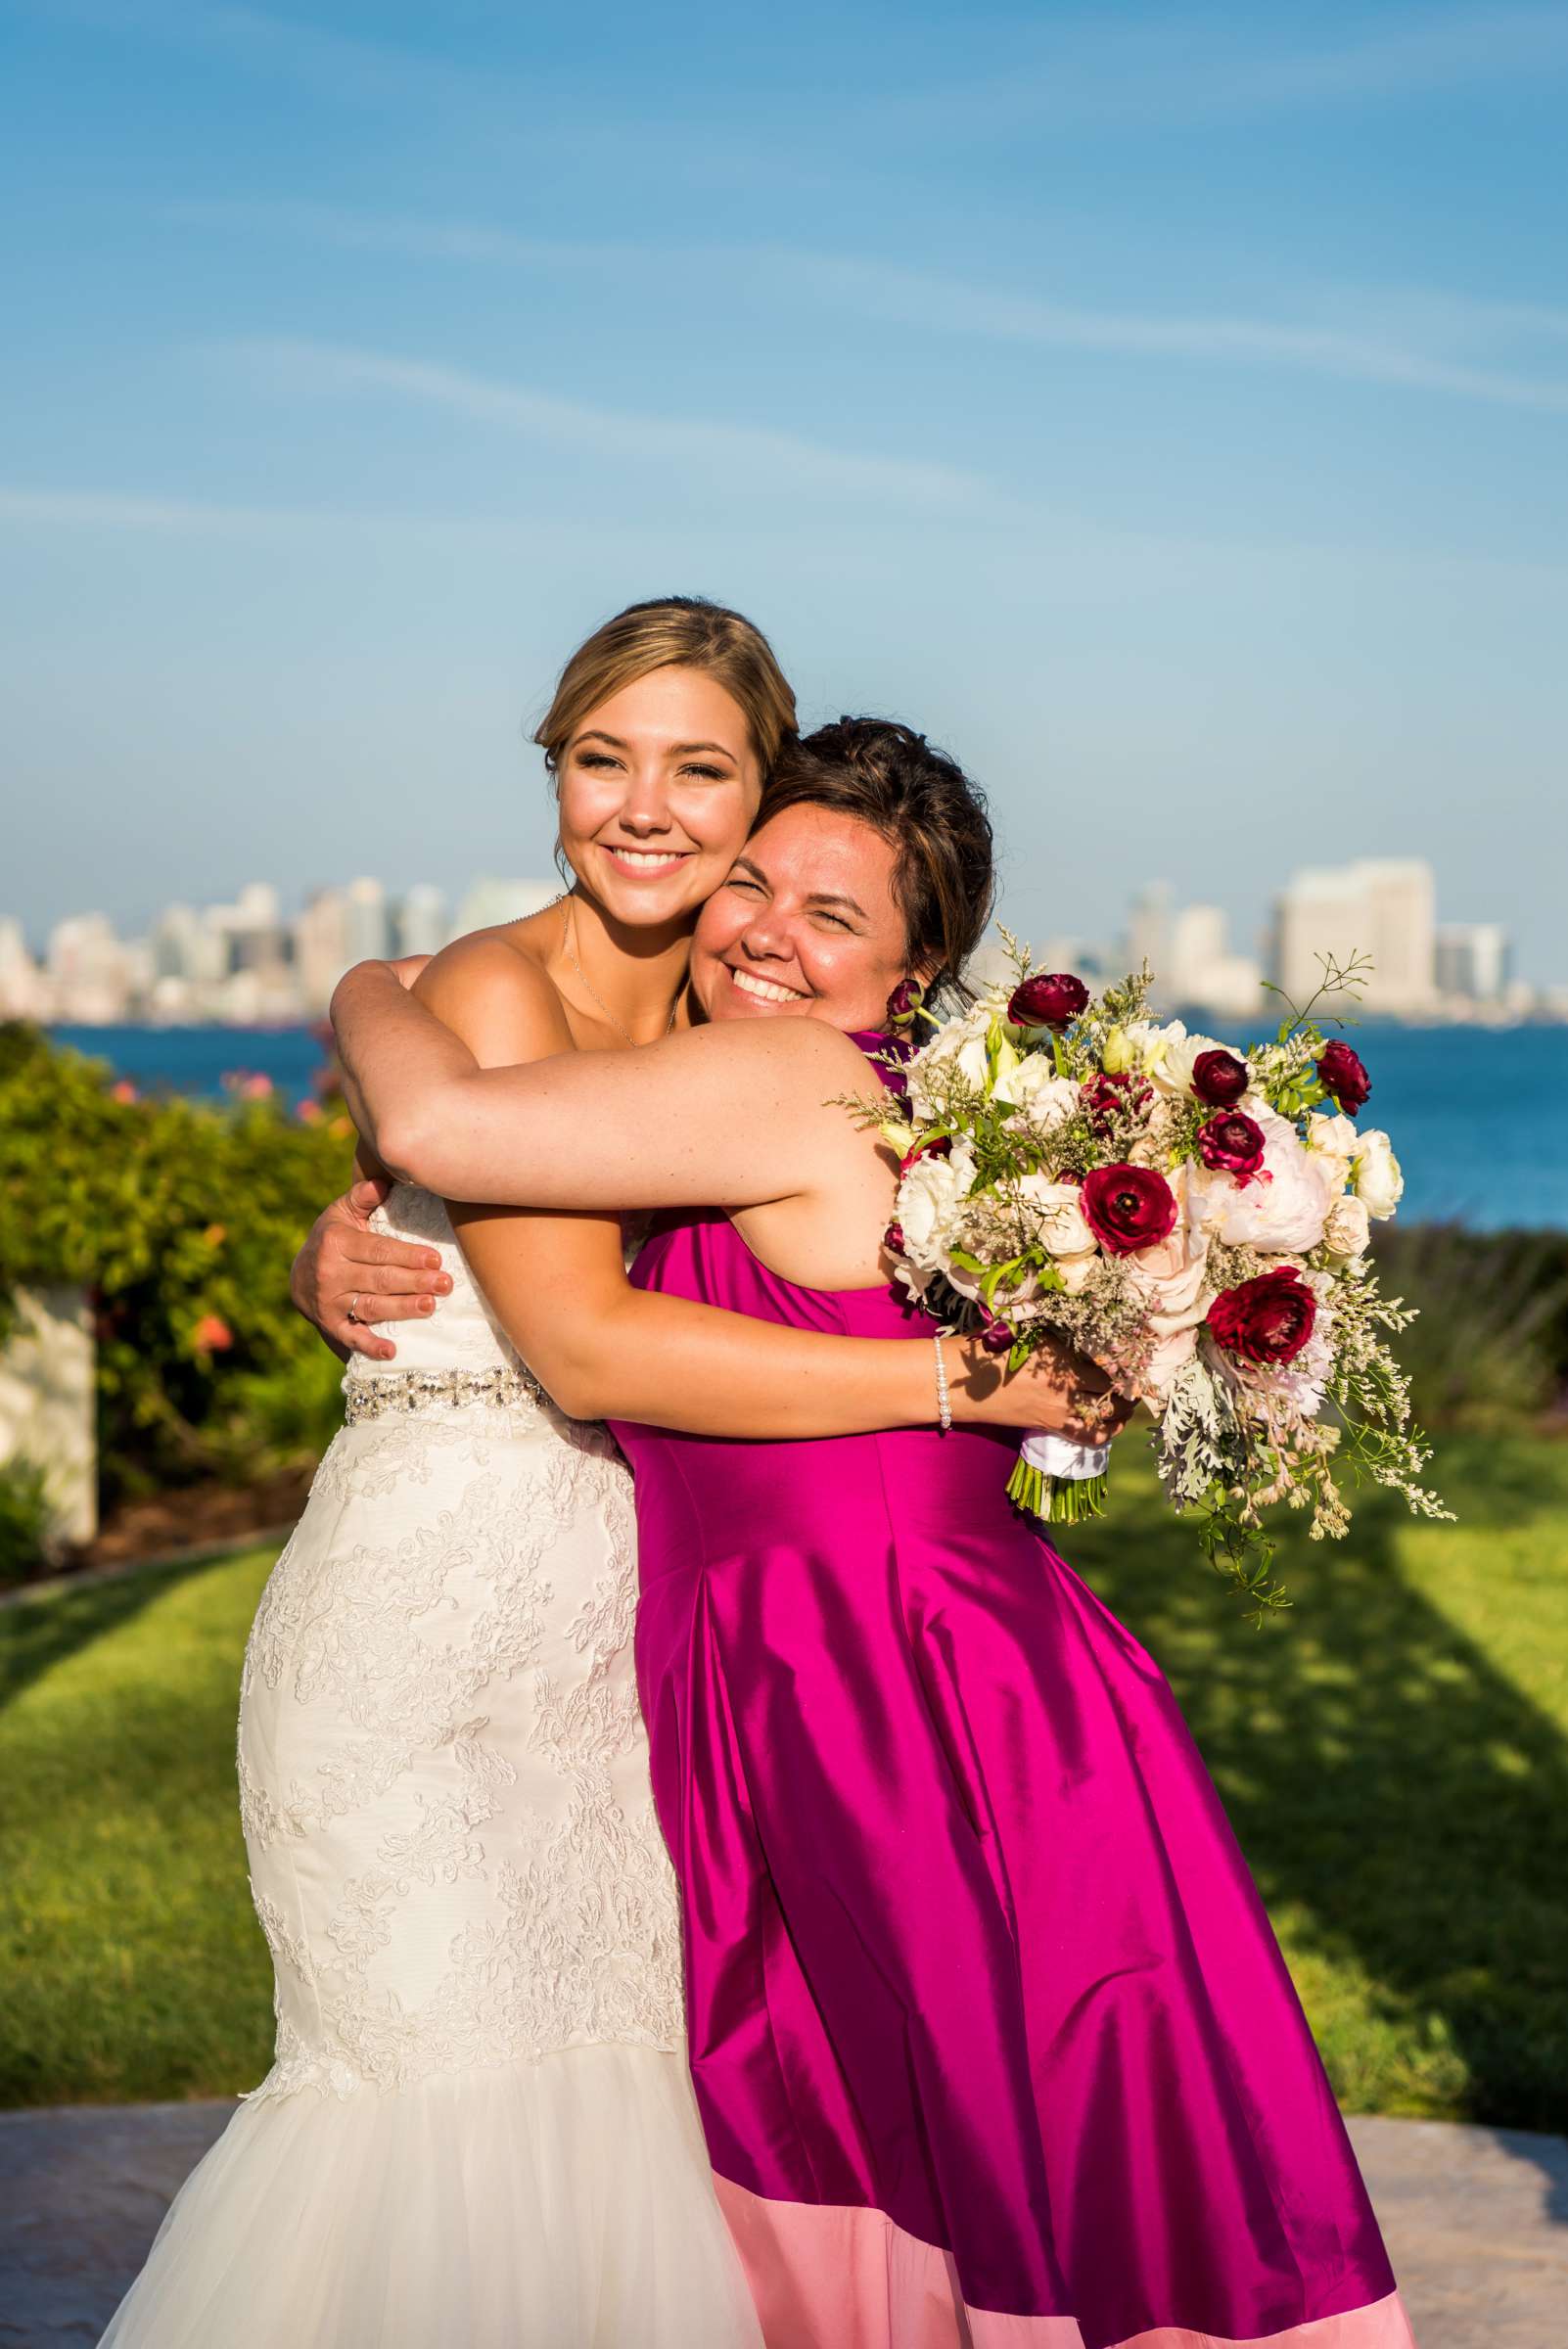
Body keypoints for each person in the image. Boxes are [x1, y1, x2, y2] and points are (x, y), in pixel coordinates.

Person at [328, 719, 1416, 2349]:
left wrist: (363, 987)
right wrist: (328, 1256)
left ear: (909, 983)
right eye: (751, 881)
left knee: (954, 2120)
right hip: (900, 1661)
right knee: (980, 2125)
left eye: (830, 917)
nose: (767, 927)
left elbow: (440, 1140)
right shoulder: (914, 1126)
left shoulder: (783, 1075)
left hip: (888, 1682)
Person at [103, 603, 1111, 2349]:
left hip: (624, 1649)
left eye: (697, 771)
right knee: (426, 2121)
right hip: (422, 1646)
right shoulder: (484, 990)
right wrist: (955, 1381)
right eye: (599, 760)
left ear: (762, 805)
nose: (641, 808)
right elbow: (570, 1342)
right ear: (553, 777)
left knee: (621, 2124)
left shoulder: (742, 1021)